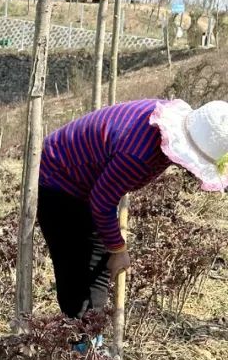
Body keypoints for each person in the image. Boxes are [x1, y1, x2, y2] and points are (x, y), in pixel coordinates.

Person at [38, 98, 228, 319]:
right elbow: (101, 202)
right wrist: (118, 249)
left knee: (97, 263)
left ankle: (90, 334)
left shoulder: (162, 117)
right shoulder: (140, 157)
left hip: (85, 175)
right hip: (59, 180)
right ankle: (80, 343)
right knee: (79, 270)